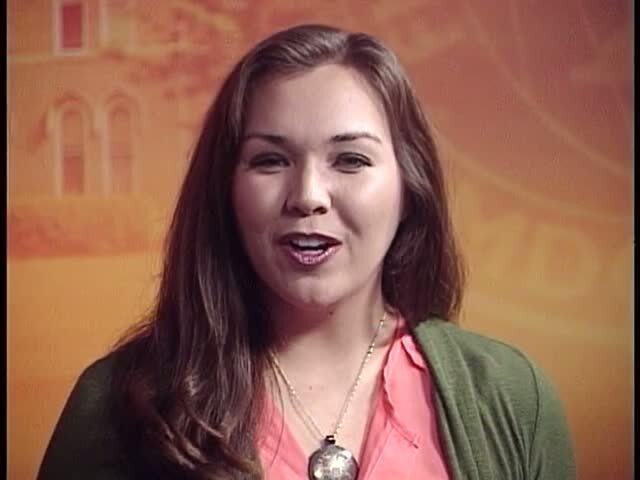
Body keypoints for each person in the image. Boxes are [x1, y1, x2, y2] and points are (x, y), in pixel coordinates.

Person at [37, 24, 576, 480]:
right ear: (226, 191)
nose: (308, 196)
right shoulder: (113, 408)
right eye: (270, 160)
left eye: (351, 160)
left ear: (409, 189)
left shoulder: (514, 398)